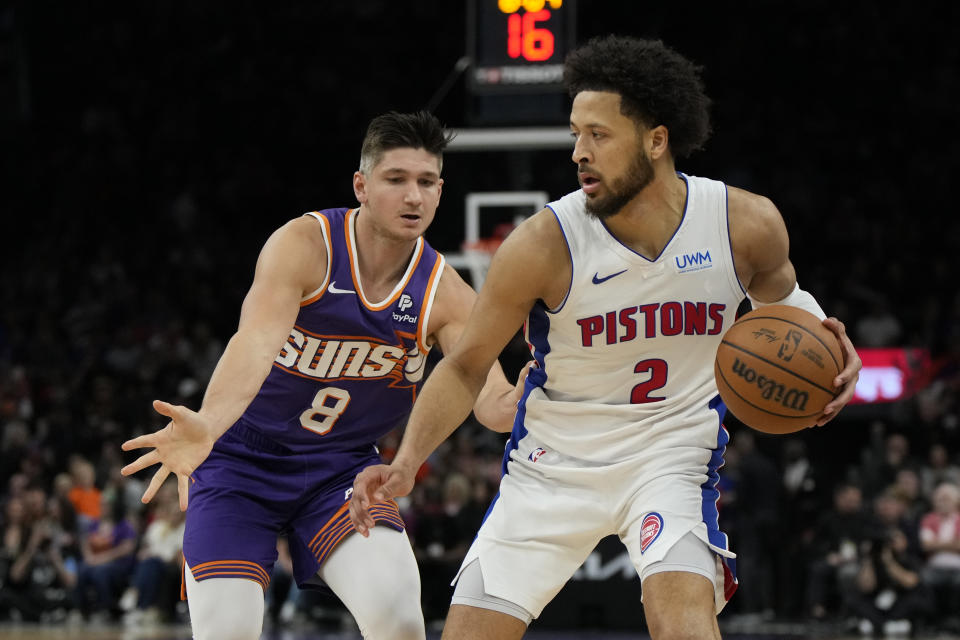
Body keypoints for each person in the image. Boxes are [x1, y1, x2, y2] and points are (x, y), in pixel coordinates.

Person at [350, 36, 862, 640]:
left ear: (656, 140)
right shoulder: (543, 245)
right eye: (575, 134)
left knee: (682, 623)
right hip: (552, 463)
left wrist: (831, 347)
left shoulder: (743, 223)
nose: (579, 153)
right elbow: (465, 366)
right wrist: (407, 461)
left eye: (599, 135)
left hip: (670, 453)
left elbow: (787, 308)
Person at [120, 111, 520, 640]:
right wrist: (209, 423)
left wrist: (541, 385)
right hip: (240, 462)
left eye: (426, 182)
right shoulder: (306, 245)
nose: (413, 197)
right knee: (227, 632)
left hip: (342, 473)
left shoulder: (445, 293)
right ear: (362, 185)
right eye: (396, 179)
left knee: (399, 621)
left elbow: (490, 402)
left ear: (441, 192)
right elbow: (256, 342)